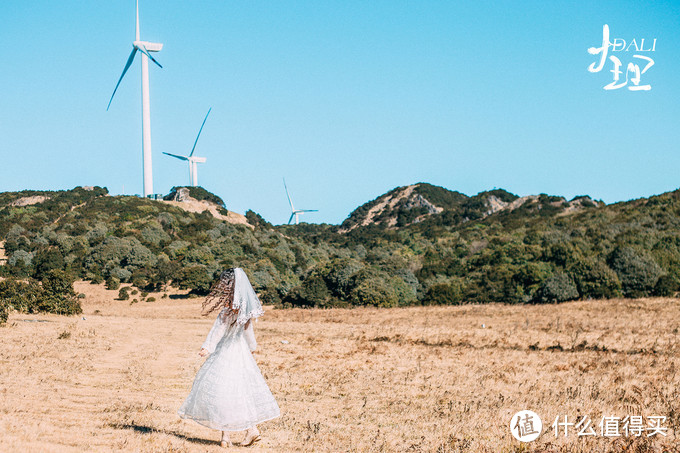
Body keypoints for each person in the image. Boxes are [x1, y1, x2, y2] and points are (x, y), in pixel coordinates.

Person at [178, 268, 280, 447]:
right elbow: (248, 333)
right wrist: (252, 348)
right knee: (240, 392)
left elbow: (218, 332)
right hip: (240, 354)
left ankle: (228, 437)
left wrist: (207, 347)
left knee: (224, 392)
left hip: (225, 353)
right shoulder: (244, 311)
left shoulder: (227, 311)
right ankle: (250, 430)